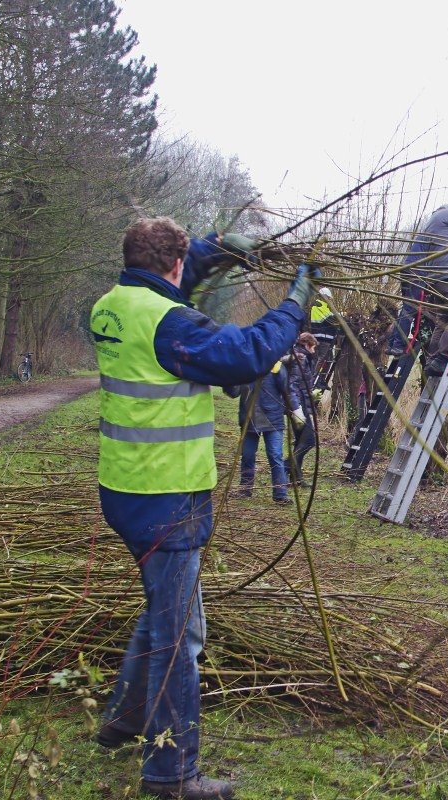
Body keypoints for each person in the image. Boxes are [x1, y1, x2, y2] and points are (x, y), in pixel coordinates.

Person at [91, 217, 315, 800]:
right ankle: (170, 775)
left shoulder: (114, 305)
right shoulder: (171, 326)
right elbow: (248, 353)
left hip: (124, 488)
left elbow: (169, 280)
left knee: (168, 610)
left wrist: (213, 251)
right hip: (167, 497)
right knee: (180, 637)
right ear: (171, 264)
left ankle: (126, 715)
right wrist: (296, 300)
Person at [387, 204, 448, 376]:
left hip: (436, 278)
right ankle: (442, 356)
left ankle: (431, 360)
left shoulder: (434, 228)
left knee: (442, 318)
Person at [227, 360, 300, 504]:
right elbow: (233, 392)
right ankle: (245, 489)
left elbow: (288, 390)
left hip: (273, 420)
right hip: (249, 420)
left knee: (275, 456)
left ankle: (280, 494)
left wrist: (297, 410)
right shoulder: (244, 366)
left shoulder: (276, 366)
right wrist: (226, 376)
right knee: (247, 456)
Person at [285, 332, 318, 487]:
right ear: (307, 344)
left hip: (300, 403)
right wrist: (297, 408)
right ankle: (285, 466)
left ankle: (296, 478)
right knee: (309, 440)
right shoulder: (301, 358)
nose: (314, 350)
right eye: (313, 347)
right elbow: (293, 384)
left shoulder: (301, 356)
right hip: (298, 405)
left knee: (300, 441)